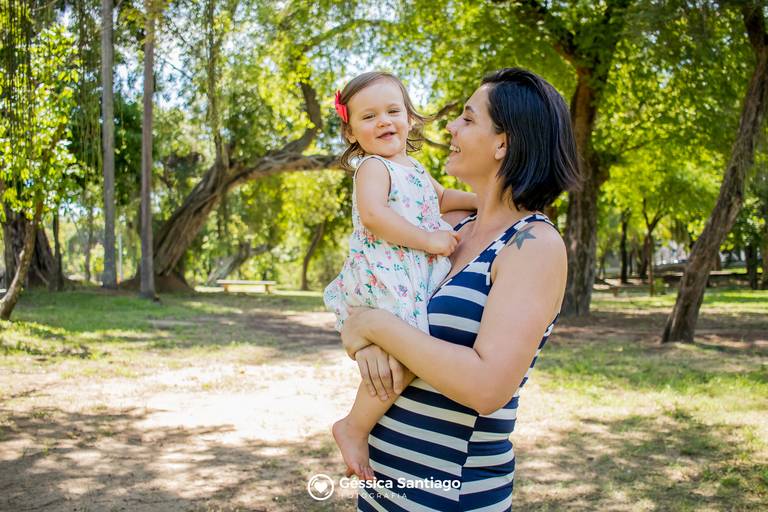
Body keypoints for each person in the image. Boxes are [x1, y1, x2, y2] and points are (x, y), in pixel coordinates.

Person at [339, 67, 580, 511]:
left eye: (468, 118)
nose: (450, 126)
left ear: (503, 143)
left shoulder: (533, 244)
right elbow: (378, 289)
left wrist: (374, 326)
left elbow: (487, 388)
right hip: (383, 484)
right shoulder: (447, 227)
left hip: (451, 494)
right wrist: (363, 342)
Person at [323, 71, 478, 481]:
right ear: (352, 132)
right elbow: (375, 216)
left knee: (407, 354)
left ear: (410, 118)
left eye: (393, 111)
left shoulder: (414, 167)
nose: (384, 121)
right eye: (369, 116)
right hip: (385, 272)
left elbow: (444, 198)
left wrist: (487, 201)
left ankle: (360, 424)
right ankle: (353, 427)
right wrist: (428, 239)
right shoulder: (372, 167)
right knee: (406, 355)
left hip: (409, 274)